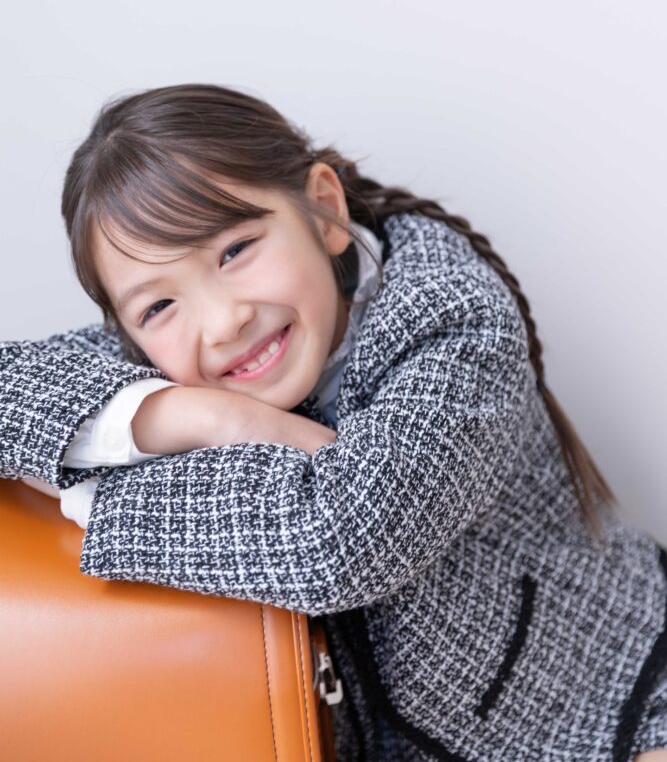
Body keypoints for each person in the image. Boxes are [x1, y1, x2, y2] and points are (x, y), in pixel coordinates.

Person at [1, 83, 666, 762]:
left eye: (234, 251)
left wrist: (91, 496)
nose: (222, 322)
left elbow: (340, 541)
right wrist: (195, 414)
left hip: (620, 699)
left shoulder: (451, 319)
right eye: (158, 307)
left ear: (323, 210)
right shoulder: (171, 367)